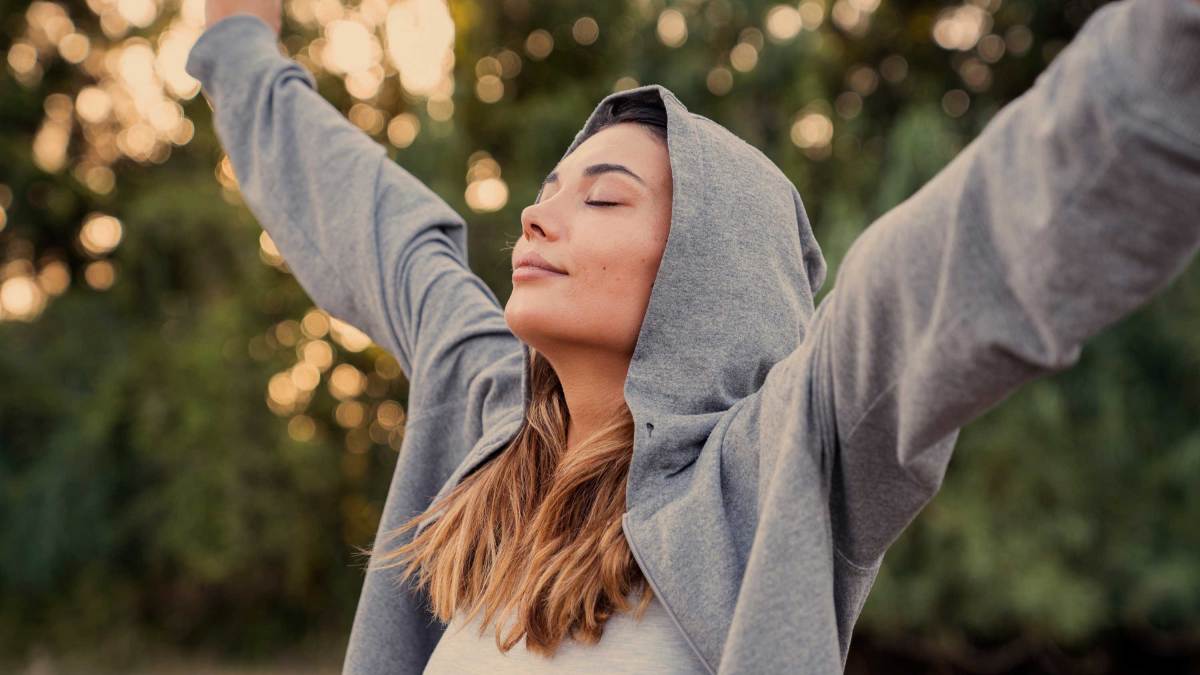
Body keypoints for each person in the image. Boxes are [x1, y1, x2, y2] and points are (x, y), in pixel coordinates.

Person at [184, 0, 1200, 671]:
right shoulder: (481, 414)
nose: (537, 220)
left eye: (605, 198)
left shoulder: (787, 462)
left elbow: (972, 248)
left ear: (710, 271)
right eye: (545, 196)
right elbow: (371, 221)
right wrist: (235, 42)